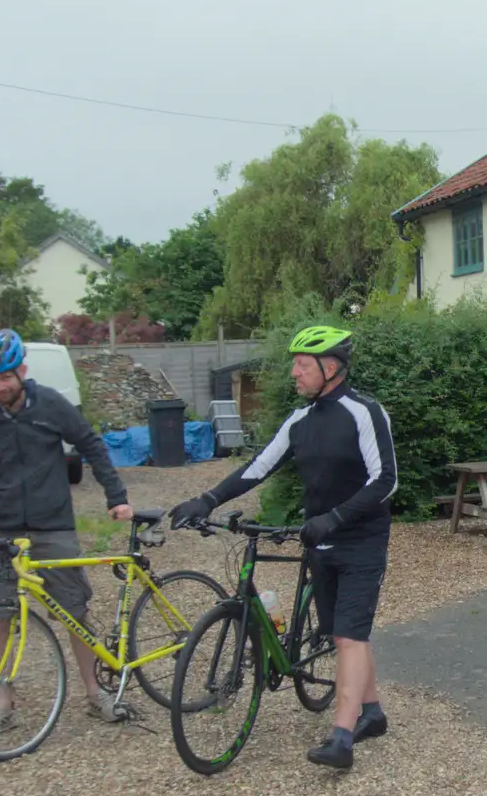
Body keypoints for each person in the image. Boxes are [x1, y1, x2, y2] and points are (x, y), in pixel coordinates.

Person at [169, 325, 396, 770]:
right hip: (318, 539)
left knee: (349, 635)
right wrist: (208, 499)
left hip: (360, 540)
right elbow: (258, 467)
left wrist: (337, 516)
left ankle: (342, 736)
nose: (293, 372)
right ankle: (372, 712)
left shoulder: (364, 412)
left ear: (330, 368)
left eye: (302, 364)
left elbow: (385, 480)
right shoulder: (300, 421)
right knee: (340, 631)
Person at [0, 328, 134, 741]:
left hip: (52, 525)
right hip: (1, 530)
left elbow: (89, 443)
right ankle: (3, 703)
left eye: (5, 377)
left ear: (21, 370)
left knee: (74, 611)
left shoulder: (50, 404)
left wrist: (116, 495)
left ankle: (95, 694)